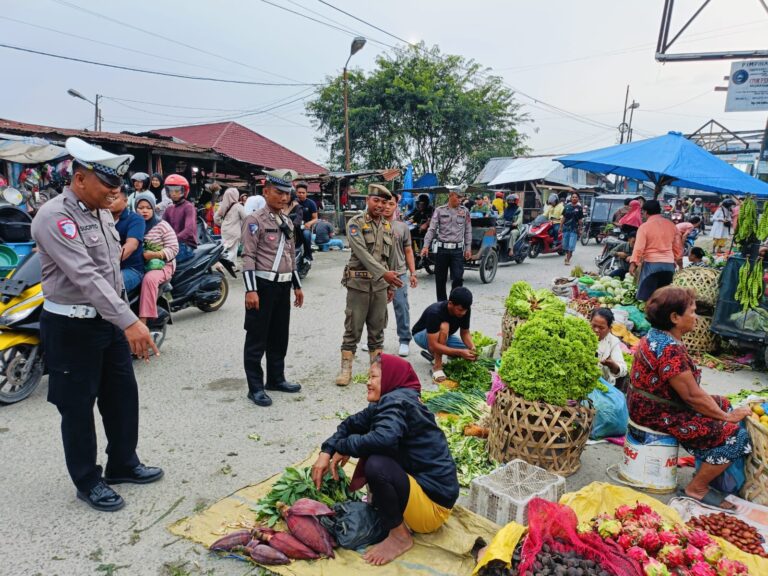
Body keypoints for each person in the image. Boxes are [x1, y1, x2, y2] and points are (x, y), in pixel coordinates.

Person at [31, 137, 162, 512]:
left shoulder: (101, 210)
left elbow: (112, 273)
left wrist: (122, 316)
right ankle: (88, 480)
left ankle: (123, 463)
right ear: (81, 178)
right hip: (71, 327)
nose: (115, 193)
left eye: (118, 187)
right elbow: (85, 276)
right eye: (108, 185)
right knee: (77, 406)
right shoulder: (56, 217)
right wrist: (131, 321)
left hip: (108, 322)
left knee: (122, 395)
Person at [312, 354, 459, 566]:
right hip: (424, 495)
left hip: (433, 507)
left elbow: (384, 439)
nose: (368, 382)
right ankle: (395, 518)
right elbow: (351, 424)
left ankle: (400, 537)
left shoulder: (396, 401)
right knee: (371, 448)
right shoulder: (394, 400)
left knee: (377, 464)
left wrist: (345, 446)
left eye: (373, 376)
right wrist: (327, 450)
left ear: (390, 377)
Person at [628, 287, 752, 508]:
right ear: (675, 317)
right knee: (736, 436)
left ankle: (709, 466)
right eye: (692, 312)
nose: (696, 317)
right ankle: (698, 488)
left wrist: (723, 410)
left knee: (723, 403)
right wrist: (727, 417)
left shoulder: (657, 335)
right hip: (657, 412)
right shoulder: (669, 350)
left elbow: (691, 392)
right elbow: (693, 396)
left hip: (650, 402)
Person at [241, 169, 304, 407]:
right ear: (265, 191)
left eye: (287, 193)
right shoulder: (254, 221)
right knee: (257, 338)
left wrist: (296, 286)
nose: (284, 197)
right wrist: (250, 290)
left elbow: (291, 256)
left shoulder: (286, 221)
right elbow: (248, 257)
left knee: (279, 335)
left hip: (283, 286)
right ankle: (255, 387)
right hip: (263, 285)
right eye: (278, 192)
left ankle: (276, 379)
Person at [335, 184, 402, 386]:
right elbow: (362, 253)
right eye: (376, 201)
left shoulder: (389, 227)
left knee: (377, 330)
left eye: (384, 202)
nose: (380, 205)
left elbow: (391, 258)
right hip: (359, 284)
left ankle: (376, 372)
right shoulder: (355, 223)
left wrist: (391, 286)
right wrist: (385, 274)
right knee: (353, 328)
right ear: (367, 200)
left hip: (381, 287)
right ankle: (346, 370)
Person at [412, 287, 477, 383]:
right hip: (422, 335)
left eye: (465, 310)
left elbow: (465, 332)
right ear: (450, 303)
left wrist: (472, 347)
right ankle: (437, 366)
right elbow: (433, 345)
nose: (463, 313)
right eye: (460, 310)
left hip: (444, 336)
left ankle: (436, 355)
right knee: (444, 326)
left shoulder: (465, 309)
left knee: (467, 353)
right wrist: (459, 352)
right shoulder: (435, 312)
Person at [134, 192, 178, 324]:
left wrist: (155, 255)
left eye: (148, 208)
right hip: (139, 264)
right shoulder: (134, 225)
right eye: (141, 208)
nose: (144, 211)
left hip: (163, 265)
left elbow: (174, 248)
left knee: (149, 279)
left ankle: (144, 319)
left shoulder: (162, 225)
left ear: (153, 209)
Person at [421, 189, 472, 302]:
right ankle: (442, 304)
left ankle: (454, 302)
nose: (460, 200)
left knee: (458, 278)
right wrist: (425, 246)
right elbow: (432, 229)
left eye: (461, 198)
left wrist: (468, 248)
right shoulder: (439, 210)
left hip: (457, 250)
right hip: (442, 250)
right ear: (451, 195)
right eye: (458, 197)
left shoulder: (465, 211)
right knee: (440, 280)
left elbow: (468, 230)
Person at [384, 193, 418, 357]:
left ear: (396, 205)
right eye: (384, 203)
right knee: (375, 308)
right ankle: (375, 338)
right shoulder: (372, 225)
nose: (387, 206)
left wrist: (413, 273)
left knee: (401, 306)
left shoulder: (402, 227)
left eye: (391, 203)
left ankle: (404, 340)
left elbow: (408, 250)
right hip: (379, 274)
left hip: (399, 273)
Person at [629, 200, 683, 301]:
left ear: (645, 212)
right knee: (664, 298)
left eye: (642, 212)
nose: (642, 215)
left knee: (646, 299)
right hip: (669, 266)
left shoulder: (644, 227)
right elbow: (678, 247)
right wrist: (675, 261)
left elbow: (639, 248)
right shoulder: (671, 225)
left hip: (652, 265)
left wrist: (633, 263)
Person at [110, 187, 145, 293]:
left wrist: (110, 263)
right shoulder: (102, 219)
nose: (110, 201)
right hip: (106, 269)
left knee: (107, 287)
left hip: (131, 269)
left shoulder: (135, 219)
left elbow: (131, 245)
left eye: (114, 198)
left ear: (125, 201)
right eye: (108, 198)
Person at [162, 174, 197, 263]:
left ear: (184, 191)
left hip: (185, 245)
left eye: (177, 191)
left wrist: (172, 239)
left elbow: (189, 230)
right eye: (170, 190)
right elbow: (161, 226)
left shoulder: (188, 207)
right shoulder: (169, 209)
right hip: (172, 244)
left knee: (165, 263)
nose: (173, 193)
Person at [590, 308, 627, 385]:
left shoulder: (613, 342)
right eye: (594, 326)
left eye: (601, 328)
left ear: (609, 328)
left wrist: (613, 365)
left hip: (601, 383)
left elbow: (623, 370)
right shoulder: (583, 334)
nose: (596, 330)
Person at [214, 187, 246, 267]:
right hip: (235, 230)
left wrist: (222, 223)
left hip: (224, 229)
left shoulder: (222, 205)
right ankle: (222, 263)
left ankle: (233, 265)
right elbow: (246, 218)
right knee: (233, 249)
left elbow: (216, 218)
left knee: (226, 246)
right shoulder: (238, 206)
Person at [295, 181, 318, 262]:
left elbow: (315, 218)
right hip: (294, 226)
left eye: (303, 193)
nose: (301, 194)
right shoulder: (293, 202)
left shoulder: (311, 203)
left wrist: (309, 223)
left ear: (306, 193)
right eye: (299, 192)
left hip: (306, 227)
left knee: (306, 234)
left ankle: (308, 254)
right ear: (296, 193)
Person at [561, 192, 583, 266]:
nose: (574, 198)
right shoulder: (567, 207)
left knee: (571, 245)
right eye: (573, 197)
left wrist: (580, 229)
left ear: (578, 199)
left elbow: (580, 220)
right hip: (566, 228)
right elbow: (563, 218)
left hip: (574, 229)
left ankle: (568, 259)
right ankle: (568, 255)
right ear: (571, 198)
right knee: (565, 245)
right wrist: (560, 227)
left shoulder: (579, 208)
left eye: (576, 197)